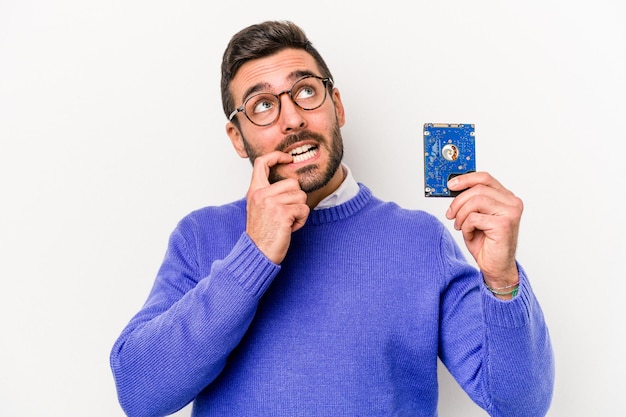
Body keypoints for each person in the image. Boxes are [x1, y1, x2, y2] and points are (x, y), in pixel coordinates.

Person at [110, 20, 554, 417]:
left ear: (336, 106)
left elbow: (520, 405)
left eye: (305, 91)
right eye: (262, 105)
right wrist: (255, 254)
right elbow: (140, 394)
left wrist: (501, 280)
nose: (292, 118)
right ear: (238, 139)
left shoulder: (419, 241)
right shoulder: (200, 236)